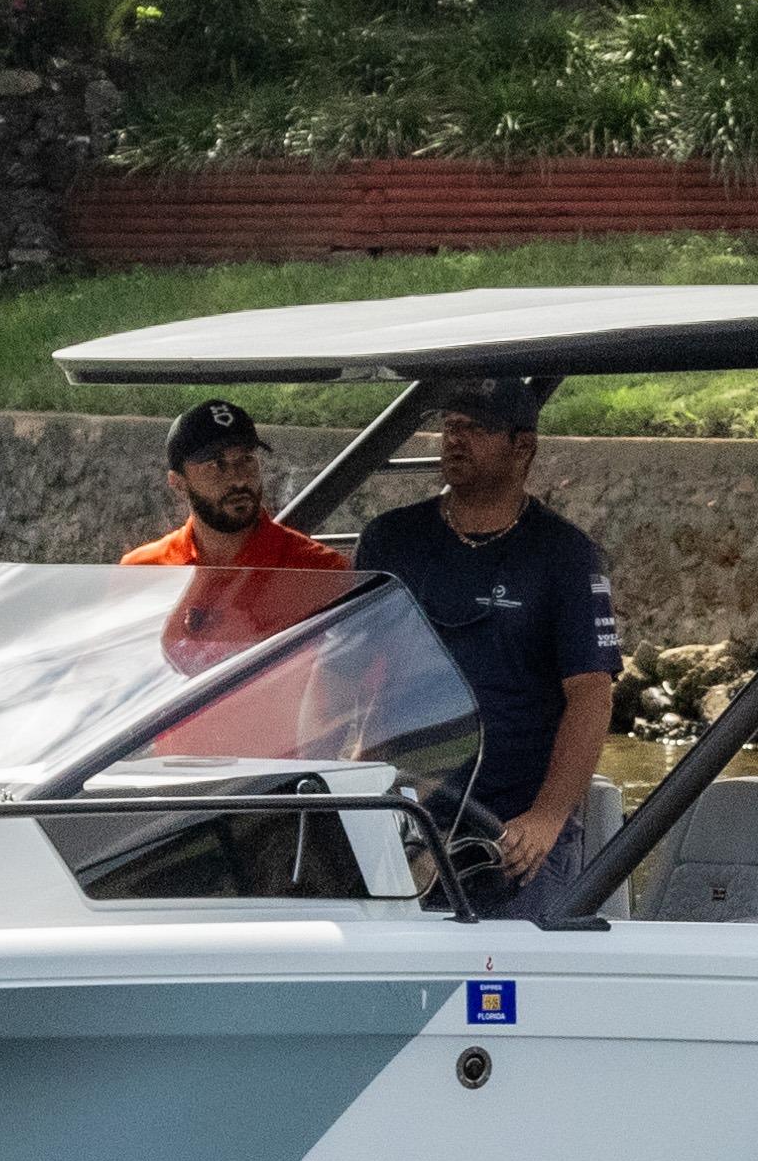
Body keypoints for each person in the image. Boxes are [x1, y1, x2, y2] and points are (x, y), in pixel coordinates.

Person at [351, 374, 617, 919]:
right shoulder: (389, 539)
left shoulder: (565, 555)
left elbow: (591, 694)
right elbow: (343, 671)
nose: (454, 439)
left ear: (524, 446)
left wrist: (546, 819)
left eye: (475, 428)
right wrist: (345, 781)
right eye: (449, 426)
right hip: (403, 821)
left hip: (516, 835)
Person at [124, 401, 349, 572]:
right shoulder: (143, 570)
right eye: (215, 465)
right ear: (178, 482)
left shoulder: (320, 570)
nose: (238, 479)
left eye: (246, 459)